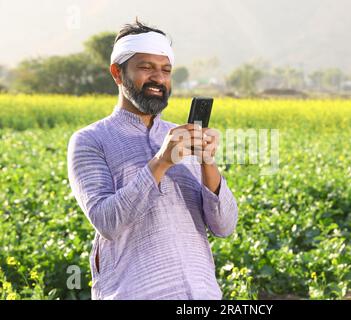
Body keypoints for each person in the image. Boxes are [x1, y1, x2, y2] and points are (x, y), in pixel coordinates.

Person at [67, 19, 238, 300]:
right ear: (117, 73)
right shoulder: (90, 140)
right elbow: (107, 221)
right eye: (146, 68)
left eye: (166, 70)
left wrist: (208, 162)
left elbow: (224, 225)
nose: (158, 78)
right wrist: (161, 162)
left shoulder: (180, 135)